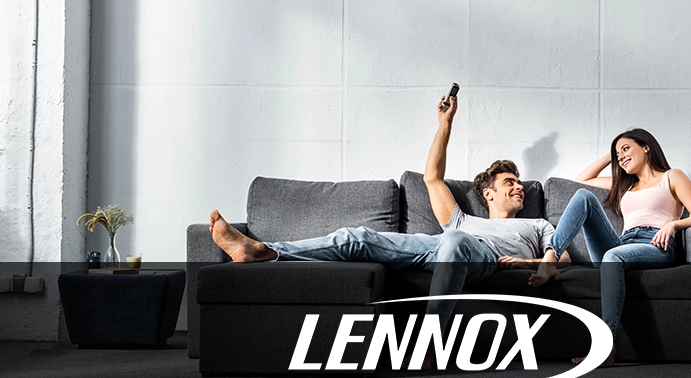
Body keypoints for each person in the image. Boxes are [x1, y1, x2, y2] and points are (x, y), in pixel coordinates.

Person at [207, 92, 569, 343]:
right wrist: (445, 123)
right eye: (510, 182)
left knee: (456, 242)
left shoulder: (535, 225)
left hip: (481, 257)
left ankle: (431, 343)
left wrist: (526, 261)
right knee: (357, 237)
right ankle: (265, 252)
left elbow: (564, 258)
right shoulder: (461, 220)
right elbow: (432, 178)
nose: (519, 186)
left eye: (521, 182)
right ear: (488, 193)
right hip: (440, 246)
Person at [527, 128, 691, 367]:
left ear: (646, 146)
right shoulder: (626, 184)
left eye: (626, 149)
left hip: (655, 244)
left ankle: (606, 347)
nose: (621, 156)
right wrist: (612, 156)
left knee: (613, 256)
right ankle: (550, 259)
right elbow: (581, 181)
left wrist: (674, 224)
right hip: (622, 244)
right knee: (584, 195)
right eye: (618, 153)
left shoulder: (672, 177)